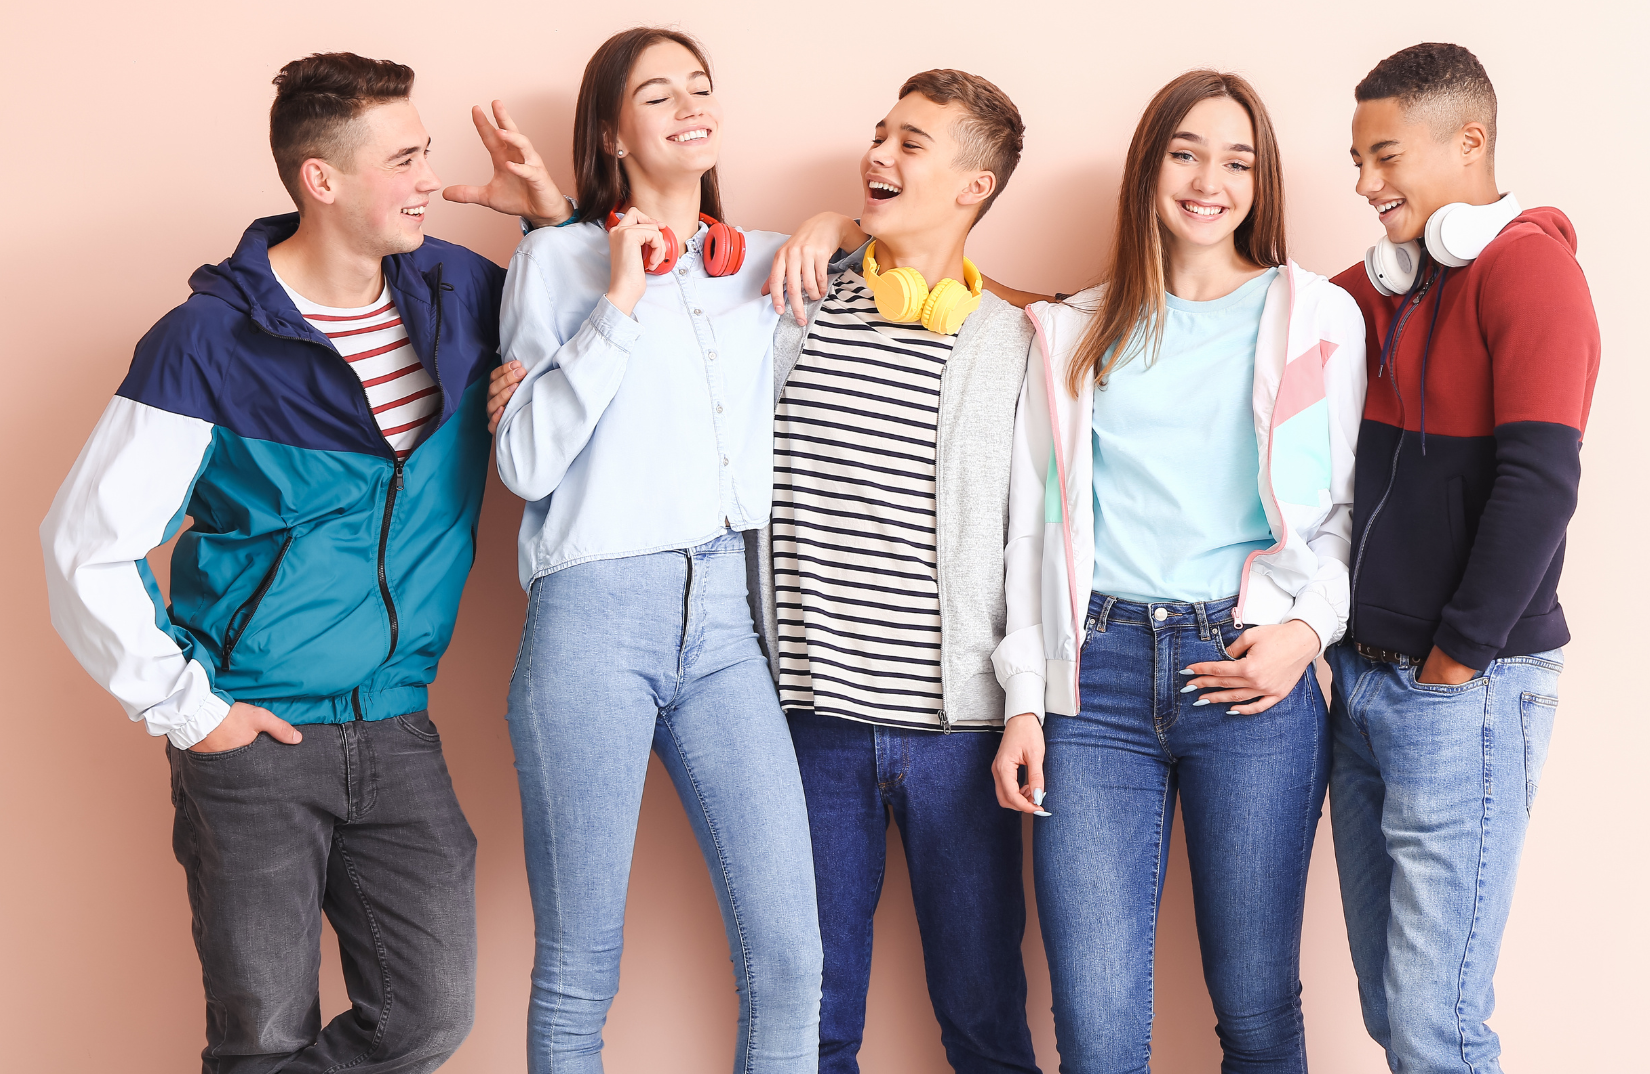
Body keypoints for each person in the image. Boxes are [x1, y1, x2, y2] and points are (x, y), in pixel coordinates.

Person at [36, 52, 567, 1072]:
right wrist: (196, 715)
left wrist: (549, 222)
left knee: (427, 1016)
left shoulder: (458, 291)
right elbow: (84, 546)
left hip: (399, 724)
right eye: (405, 158)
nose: (431, 178)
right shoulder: (204, 344)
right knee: (261, 1035)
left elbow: (593, 319)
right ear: (321, 180)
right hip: (256, 737)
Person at [481, 27, 865, 1074]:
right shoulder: (558, 258)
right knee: (578, 967)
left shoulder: (765, 265)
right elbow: (522, 461)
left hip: (729, 618)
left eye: (701, 87)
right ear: (613, 130)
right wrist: (619, 298)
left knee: (793, 959)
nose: (691, 106)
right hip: (592, 617)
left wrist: (827, 221)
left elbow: (886, 245)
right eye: (659, 96)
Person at [990, 71, 1367, 1072]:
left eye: (1238, 161)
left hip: (1250, 677)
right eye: (1186, 152)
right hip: (1096, 682)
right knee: (1098, 1031)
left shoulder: (1316, 317)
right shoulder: (1074, 328)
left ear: (1263, 180)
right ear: (1150, 166)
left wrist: (1304, 632)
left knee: (1253, 1006)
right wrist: (1026, 700)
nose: (1210, 180)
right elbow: (1032, 528)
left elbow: (1341, 511)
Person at [742, 70, 1041, 1074]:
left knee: (985, 1015)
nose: (879, 154)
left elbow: (1031, 542)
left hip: (960, 737)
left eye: (912, 142)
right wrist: (824, 227)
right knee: (811, 1019)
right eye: (880, 133)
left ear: (975, 186)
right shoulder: (792, 296)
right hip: (808, 724)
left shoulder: (1012, 340)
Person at [1326, 43, 1600, 1073]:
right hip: (1360, 678)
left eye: (1385, 155)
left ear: (1469, 141)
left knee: (1438, 1027)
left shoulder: (1531, 272)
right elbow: (1223, 312)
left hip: (1460, 690)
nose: (1364, 184)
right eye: (1357, 159)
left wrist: (1458, 658)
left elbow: (1541, 485)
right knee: (1395, 1013)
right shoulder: (1385, 285)